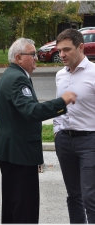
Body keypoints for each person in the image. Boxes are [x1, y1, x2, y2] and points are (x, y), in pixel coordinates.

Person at [0, 38, 77, 223]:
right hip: (20, 153)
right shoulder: (18, 79)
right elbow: (31, 111)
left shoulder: (10, 75)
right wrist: (62, 102)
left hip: (12, 151)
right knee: (25, 207)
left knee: (12, 204)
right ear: (19, 58)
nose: (36, 58)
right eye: (32, 54)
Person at [54, 28, 95, 223]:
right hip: (64, 141)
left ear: (81, 47)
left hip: (90, 141)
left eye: (67, 50)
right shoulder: (60, 75)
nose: (62, 54)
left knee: (90, 197)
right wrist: (56, 132)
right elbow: (58, 106)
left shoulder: (94, 73)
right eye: (60, 50)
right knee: (74, 196)